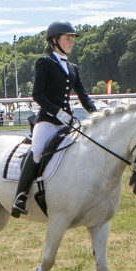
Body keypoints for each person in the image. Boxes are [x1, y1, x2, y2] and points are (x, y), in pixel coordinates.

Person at [11, 20, 98, 217]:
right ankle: (21, 196)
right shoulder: (45, 63)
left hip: (68, 123)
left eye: (72, 39)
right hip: (48, 121)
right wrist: (56, 111)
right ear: (54, 40)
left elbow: (83, 95)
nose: (71, 42)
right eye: (67, 38)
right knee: (36, 152)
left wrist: (96, 113)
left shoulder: (73, 67)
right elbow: (38, 94)